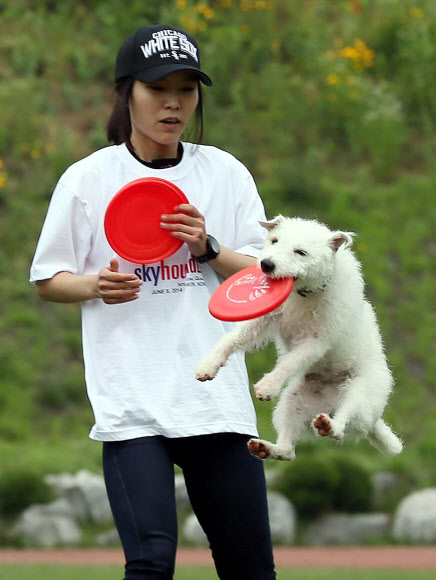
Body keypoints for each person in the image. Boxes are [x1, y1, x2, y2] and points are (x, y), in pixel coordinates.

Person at [30, 23, 277, 580]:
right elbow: (48, 279)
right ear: (127, 92)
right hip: (133, 404)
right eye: (157, 88)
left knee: (251, 571)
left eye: (186, 89)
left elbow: (268, 274)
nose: (174, 103)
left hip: (215, 403)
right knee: (150, 564)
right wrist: (95, 285)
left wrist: (209, 246)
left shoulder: (224, 172)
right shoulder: (88, 178)